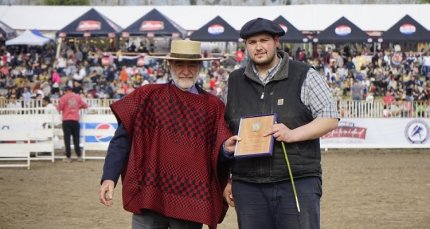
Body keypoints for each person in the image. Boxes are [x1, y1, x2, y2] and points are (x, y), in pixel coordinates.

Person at [99, 40, 236, 229]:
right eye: (179, 64)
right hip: (149, 195)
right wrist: (109, 176)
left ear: (199, 67)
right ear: (169, 65)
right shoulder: (146, 96)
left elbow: (219, 150)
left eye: (191, 65)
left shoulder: (214, 107)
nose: (186, 71)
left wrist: (225, 151)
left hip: (191, 201)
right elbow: (122, 139)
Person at [222, 18, 340, 229]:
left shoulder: (304, 74)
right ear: (246, 46)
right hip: (247, 184)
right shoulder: (234, 81)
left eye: (264, 40)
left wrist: (293, 134)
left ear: (276, 41)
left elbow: (330, 118)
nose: (258, 47)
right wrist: (228, 179)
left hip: (297, 180)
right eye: (252, 42)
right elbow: (225, 129)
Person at [56, 86, 88, 162]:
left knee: (67, 139)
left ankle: (68, 156)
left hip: (66, 120)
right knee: (76, 139)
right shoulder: (77, 97)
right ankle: (79, 156)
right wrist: (78, 107)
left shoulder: (63, 98)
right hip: (75, 120)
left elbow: (59, 108)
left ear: (65, 91)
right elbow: (85, 105)